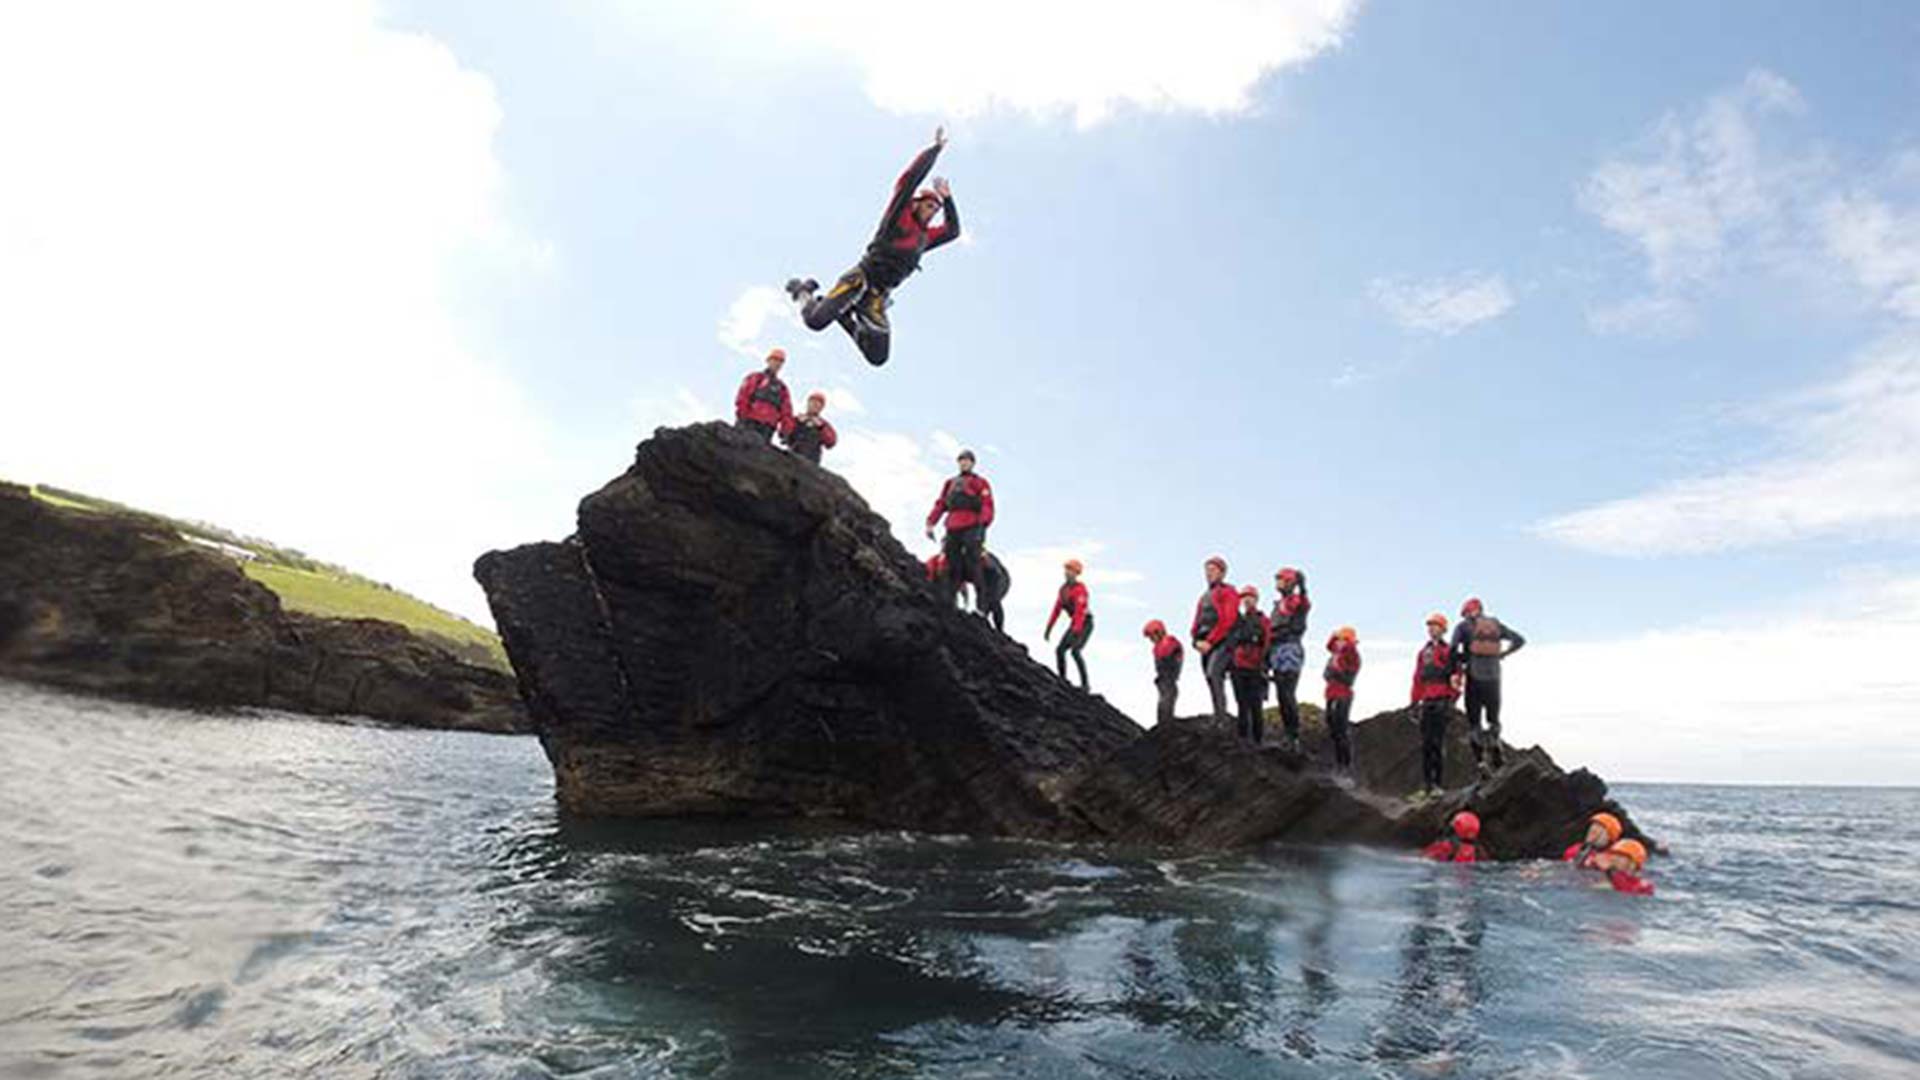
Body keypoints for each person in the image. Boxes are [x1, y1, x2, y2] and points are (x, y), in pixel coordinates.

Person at [786, 127, 959, 367]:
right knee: (816, 321)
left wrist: (948, 200)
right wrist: (934, 150)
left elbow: (952, 231)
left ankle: (846, 317)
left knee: (877, 356)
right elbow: (910, 179)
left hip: (877, 295)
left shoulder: (924, 237)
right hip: (861, 279)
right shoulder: (899, 216)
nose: (932, 213)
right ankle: (803, 292)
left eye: (936, 210)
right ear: (916, 204)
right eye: (929, 206)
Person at [1451, 598, 1527, 777]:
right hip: (1494, 677)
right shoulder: (1496, 625)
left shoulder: (1462, 627)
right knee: (1493, 719)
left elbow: (1453, 650)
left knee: (1474, 722)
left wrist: (1462, 662)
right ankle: (1498, 758)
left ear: (1466, 612)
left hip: (1474, 676)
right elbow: (1520, 640)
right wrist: (1502, 654)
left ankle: (1481, 763)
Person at [925, 450, 993, 609]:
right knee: (951, 564)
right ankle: (950, 602)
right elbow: (941, 504)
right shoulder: (950, 483)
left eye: (967, 461)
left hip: (972, 525)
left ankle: (981, 601)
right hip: (952, 526)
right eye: (961, 460)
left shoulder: (981, 483)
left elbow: (987, 505)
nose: (964, 463)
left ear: (972, 463)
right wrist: (930, 522)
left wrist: (983, 524)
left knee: (973, 560)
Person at [1410, 613, 1463, 796]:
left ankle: (1438, 785)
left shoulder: (1450, 652)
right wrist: (1414, 702)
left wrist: (1451, 700)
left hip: (1442, 701)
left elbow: (1457, 677)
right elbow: (1417, 679)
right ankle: (1427, 786)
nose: (1432, 629)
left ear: (1443, 629)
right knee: (1425, 744)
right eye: (1430, 626)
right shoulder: (1423, 653)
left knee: (1437, 744)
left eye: (1436, 625)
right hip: (1427, 701)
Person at [1190, 556, 1241, 722]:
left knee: (1214, 674)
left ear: (1222, 573)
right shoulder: (1204, 596)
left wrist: (1211, 641)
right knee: (1209, 678)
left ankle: (1221, 717)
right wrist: (1195, 640)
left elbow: (1228, 619)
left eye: (1213, 570)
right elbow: (1197, 620)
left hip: (1222, 642)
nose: (1208, 573)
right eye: (1207, 570)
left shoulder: (1229, 592)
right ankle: (1217, 714)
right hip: (1204, 643)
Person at [1267, 567, 1311, 749]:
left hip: (1290, 648)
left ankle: (1294, 737)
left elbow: (1304, 605)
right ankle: (1289, 735)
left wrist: (1303, 586)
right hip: (1276, 649)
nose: (1277, 583)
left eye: (1281, 579)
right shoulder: (1278, 605)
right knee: (1281, 695)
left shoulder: (1296, 601)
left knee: (1287, 691)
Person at [1225, 585, 1272, 745]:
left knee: (1256, 705)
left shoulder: (1263, 621)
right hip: (1237, 667)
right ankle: (1242, 740)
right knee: (1241, 705)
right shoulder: (1237, 621)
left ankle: (1258, 741)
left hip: (1255, 668)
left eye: (1250, 596)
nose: (1247, 600)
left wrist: (1265, 666)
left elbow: (1267, 643)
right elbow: (1230, 643)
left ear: (1256, 599)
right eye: (1244, 597)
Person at [1045, 559, 1094, 691]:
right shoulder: (1063, 590)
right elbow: (1056, 610)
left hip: (1085, 623)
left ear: (1076, 573)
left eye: (1071, 570)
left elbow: (1080, 611)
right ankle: (1062, 679)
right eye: (1066, 570)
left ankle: (1085, 685)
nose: (1067, 573)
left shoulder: (1080, 590)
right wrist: (1048, 628)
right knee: (1059, 650)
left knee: (1075, 651)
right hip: (1075, 624)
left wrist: (1076, 629)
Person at [733, 348, 794, 442]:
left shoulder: (782, 388)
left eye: (780, 361)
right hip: (749, 422)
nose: (777, 363)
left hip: (767, 428)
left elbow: (786, 411)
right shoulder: (755, 378)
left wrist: (785, 431)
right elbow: (743, 397)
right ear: (768, 361)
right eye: (775, 360)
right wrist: (742, 417)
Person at [1324, 625, 1361, 759]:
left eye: (1343, 639)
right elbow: (1329, 646)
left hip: (1343, 694)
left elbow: (1349, 677)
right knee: (1332, 724)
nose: (1340, 642)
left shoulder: (1352, 653)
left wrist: (1336, 671)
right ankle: (1340, 759)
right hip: (1331, 693)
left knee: (1341, 728)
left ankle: (1345, 762)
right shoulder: (1335, 653)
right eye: (1339, 639)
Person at [1144, 620, 1183, 726]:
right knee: (1165, 701)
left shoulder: (1169, 643)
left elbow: (1170, 660)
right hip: (1165, 680)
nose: (1151, 640)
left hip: (1168, 679)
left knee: (1166, 700)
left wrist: (1164, 676)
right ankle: (1164, 724)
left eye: (1152, 636)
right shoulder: (1158, 646)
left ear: (1159, 632)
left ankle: (1165, 724)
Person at [781, 391, 838, 464]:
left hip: (811, 462)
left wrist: (821, 427)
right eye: (813, 402)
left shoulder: (823, 424)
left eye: (819, 404)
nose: (815, 406)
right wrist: (796, 422)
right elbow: (783, 433)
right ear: (808, 403)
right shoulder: (796, 420)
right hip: (792, 457)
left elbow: (831, 442)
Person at [976, 549, 1010, 633]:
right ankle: (983, 623)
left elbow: (996, 576)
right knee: (982, 604)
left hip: (998, 578)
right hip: (985, 579)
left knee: (992, 601)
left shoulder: (984, 557)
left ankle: (999, 629)